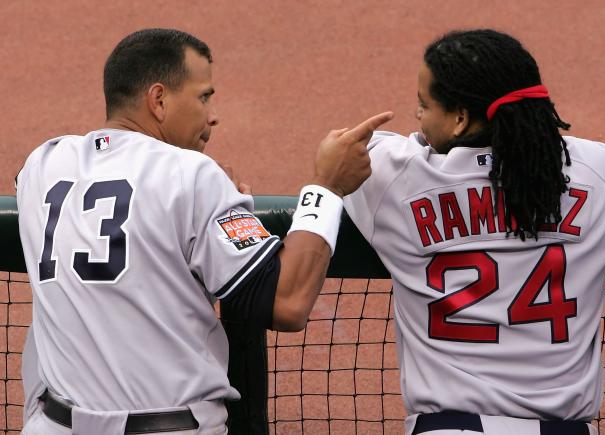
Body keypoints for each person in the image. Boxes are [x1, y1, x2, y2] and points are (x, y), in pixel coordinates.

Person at [16, 28, 392, 434]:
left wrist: (211, 213)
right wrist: (327, 188)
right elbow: (287, 301)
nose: (212, 115)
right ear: (158, 100)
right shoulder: (190, 174)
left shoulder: (42, 164)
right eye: (203, 97)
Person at [344, 29, 605, 435]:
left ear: (460, 118)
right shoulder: (600, 171)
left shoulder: (394, 179)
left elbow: (354, 154)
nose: (418, 117)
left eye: (423, 105)